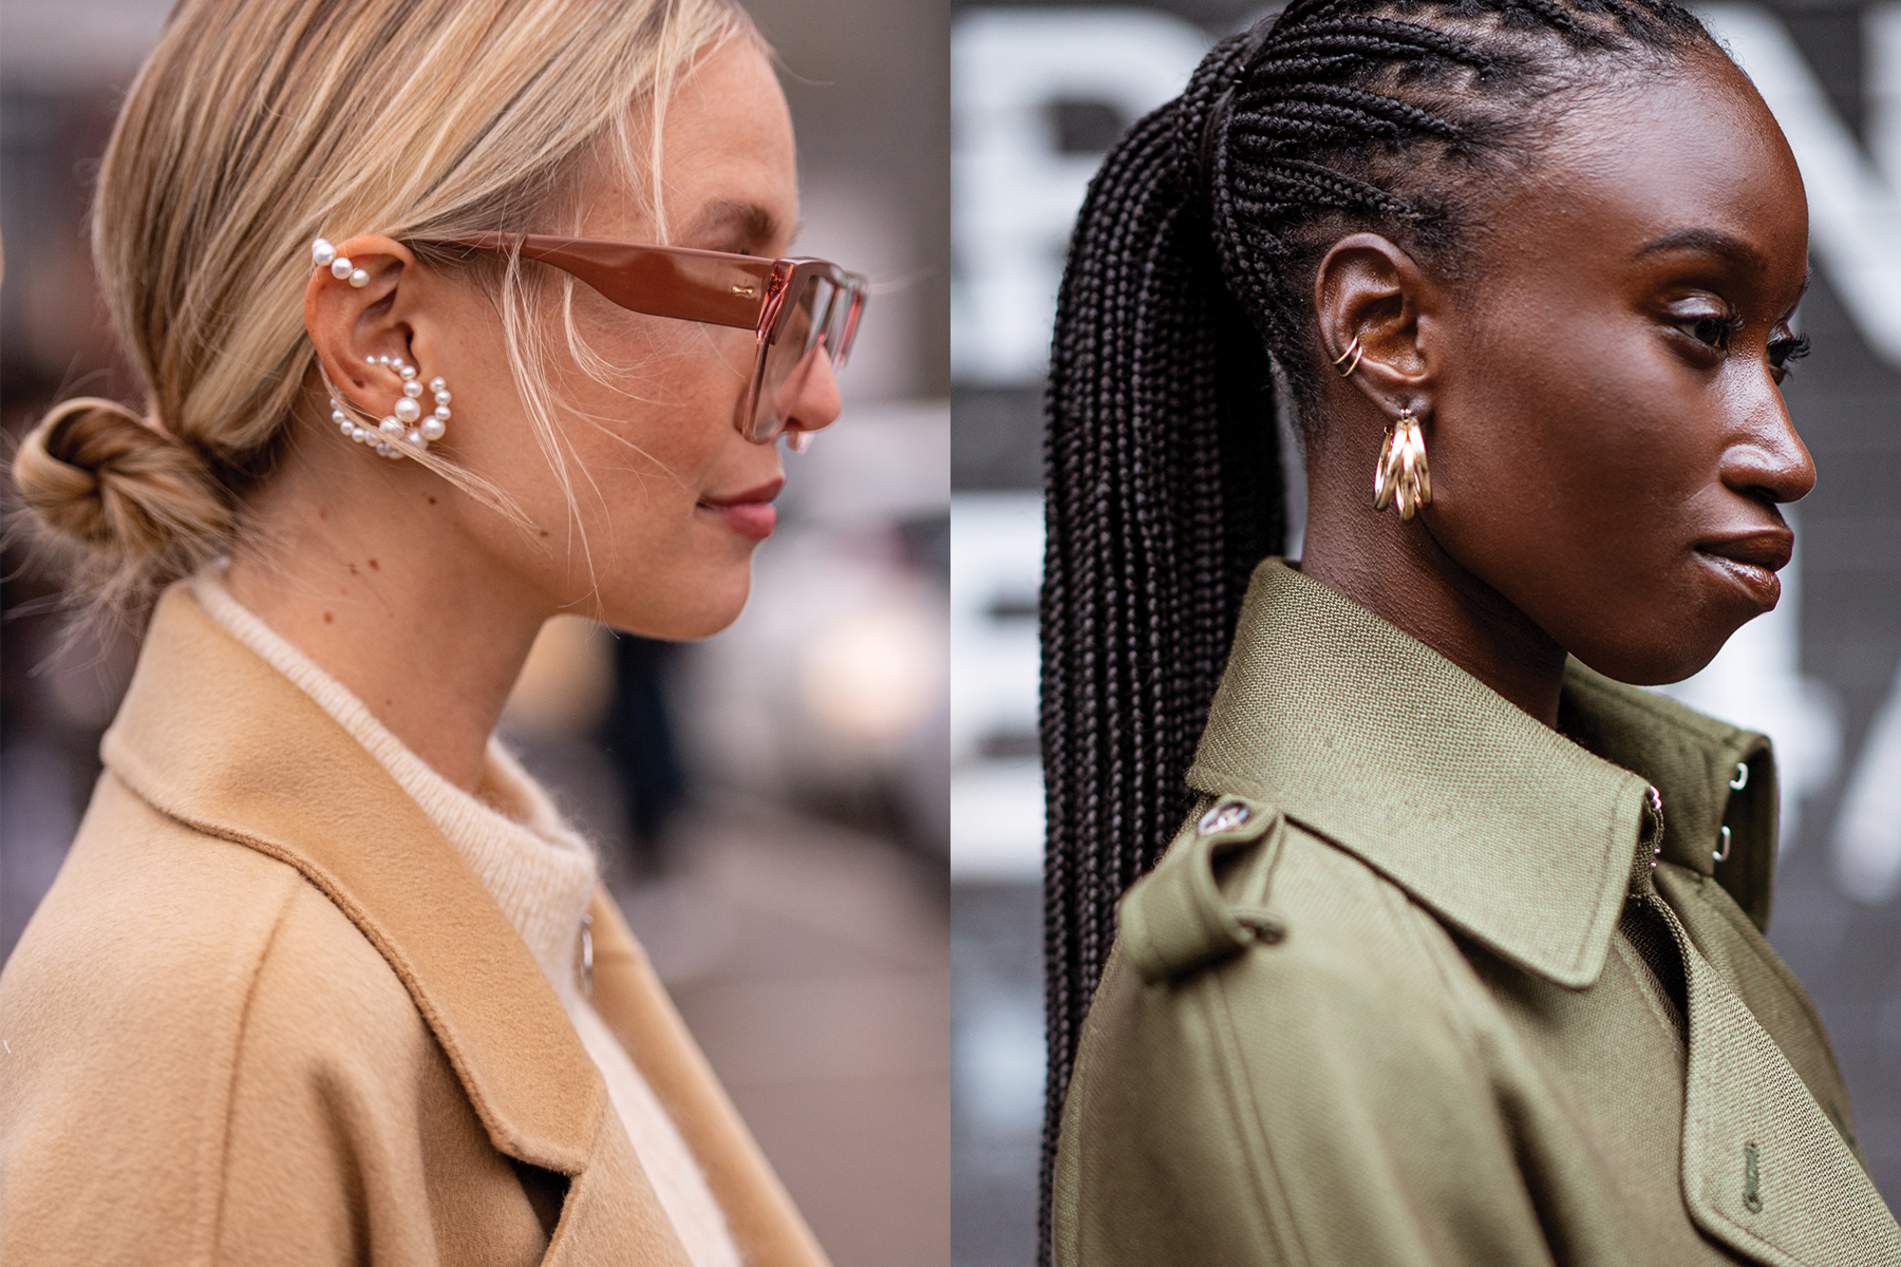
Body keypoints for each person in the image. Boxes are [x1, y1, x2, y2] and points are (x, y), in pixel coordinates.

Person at [0, 1, 863, 1262]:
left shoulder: (470, 867)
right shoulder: (223, 1023)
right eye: (737, 285)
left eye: (803, 295)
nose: (816, 392)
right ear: (385, 339)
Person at [1038, 0, 1900, 1263]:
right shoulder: (1299, 1004)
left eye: (1780, 349)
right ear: (1387, 332)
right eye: (1700, 330)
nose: (1784, 451)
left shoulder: (1649, 886)